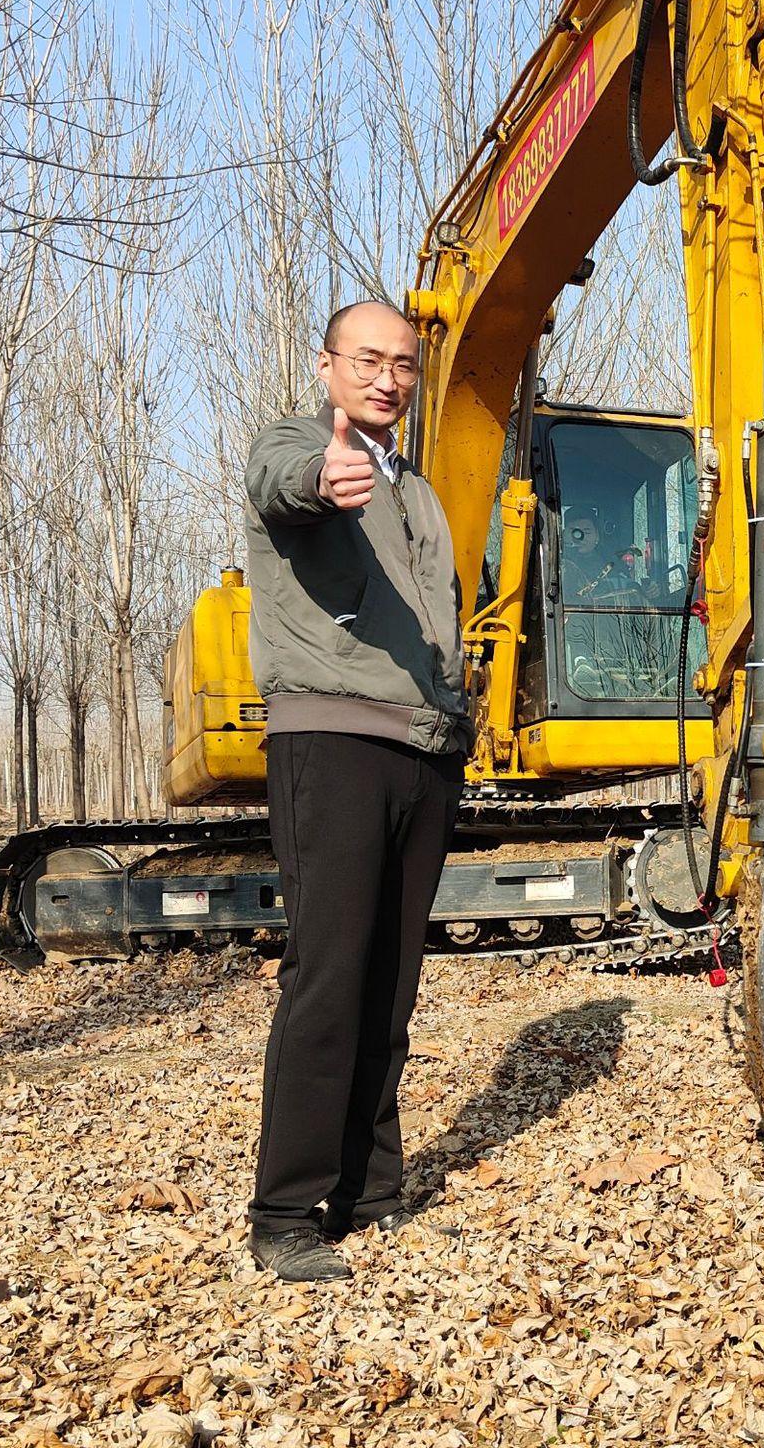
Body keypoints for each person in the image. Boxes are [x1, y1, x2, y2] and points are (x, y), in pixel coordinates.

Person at [241, 299, 469, 1284]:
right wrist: (319, 476)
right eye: (368, 361)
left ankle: (369, 1191)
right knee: (329, 979)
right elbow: (283, 483)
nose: (388, 379)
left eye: (404, 366)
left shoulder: (415, 488)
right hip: (333, 742)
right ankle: (285, 1212)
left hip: (425, 751)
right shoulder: (302, 444)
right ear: (327, 365)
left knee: (391, 983)